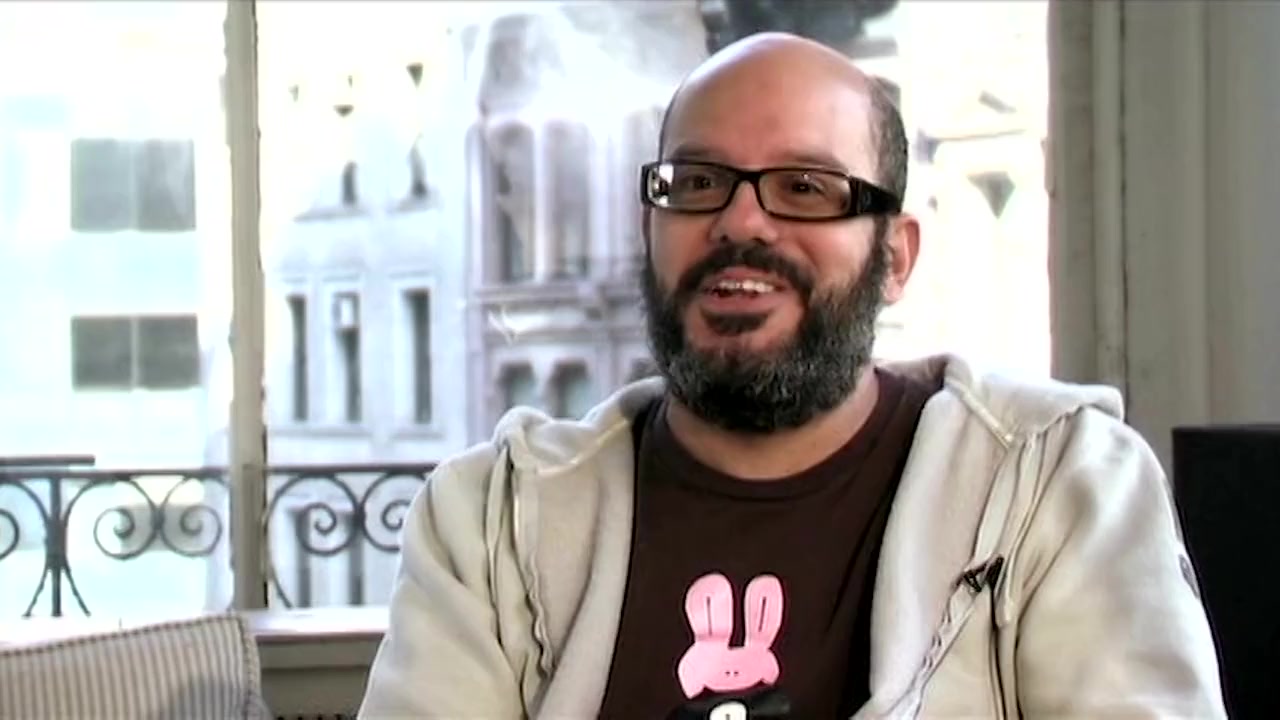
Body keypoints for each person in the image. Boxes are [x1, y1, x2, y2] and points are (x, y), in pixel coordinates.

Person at [359, 32, 1225, 719]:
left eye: (806, 187)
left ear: (895, 258)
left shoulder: (1059, 487)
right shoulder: (491, 519)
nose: (740, 223)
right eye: (697, 181)